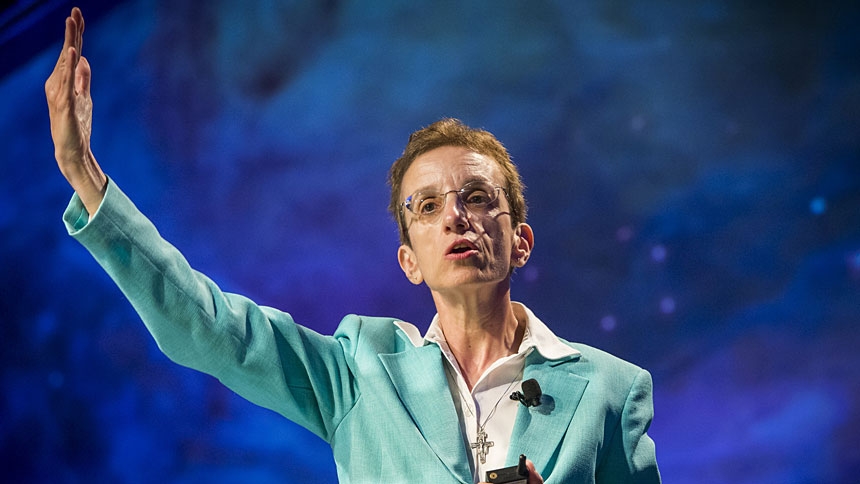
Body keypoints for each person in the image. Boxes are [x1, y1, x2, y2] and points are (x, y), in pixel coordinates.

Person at [45, 7, 660, 484]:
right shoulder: (360, 369)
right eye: (426, 206)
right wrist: (84, 174)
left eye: (476, 197)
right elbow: (207, 327)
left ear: (520, 241)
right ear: (409, 262)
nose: (455, 217)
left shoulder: (610, 390)